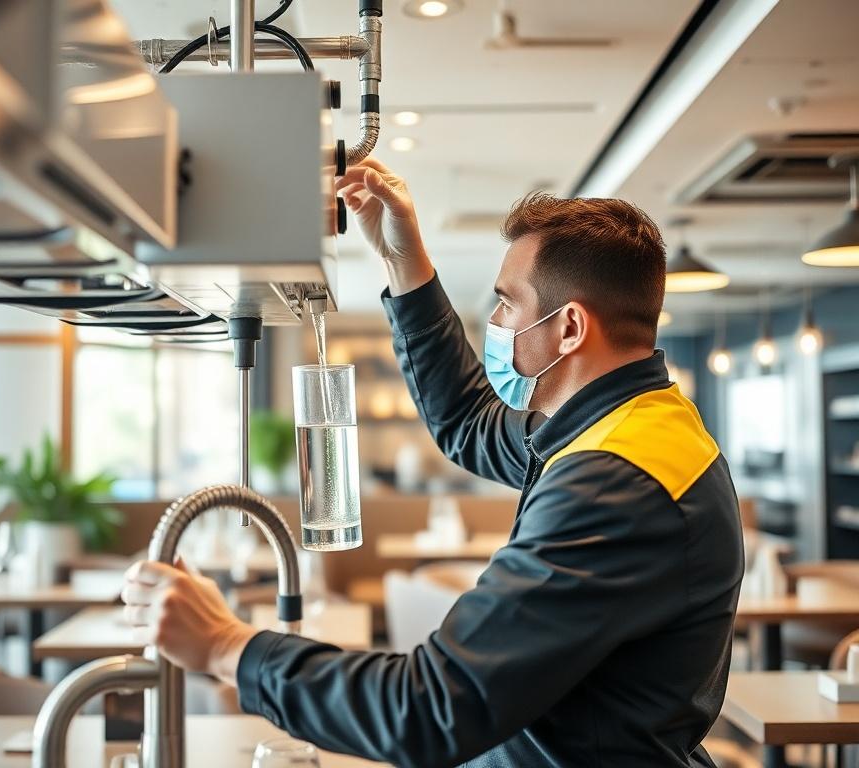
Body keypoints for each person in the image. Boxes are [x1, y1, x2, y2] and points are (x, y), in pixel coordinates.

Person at [122, 158, 745, 768]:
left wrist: (227, 646)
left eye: (507, 304)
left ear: (570, 328)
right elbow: (469, 423)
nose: (496, 322)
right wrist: (402, 259)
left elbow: (434, 709)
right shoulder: (629, 427)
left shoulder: (615, 480)